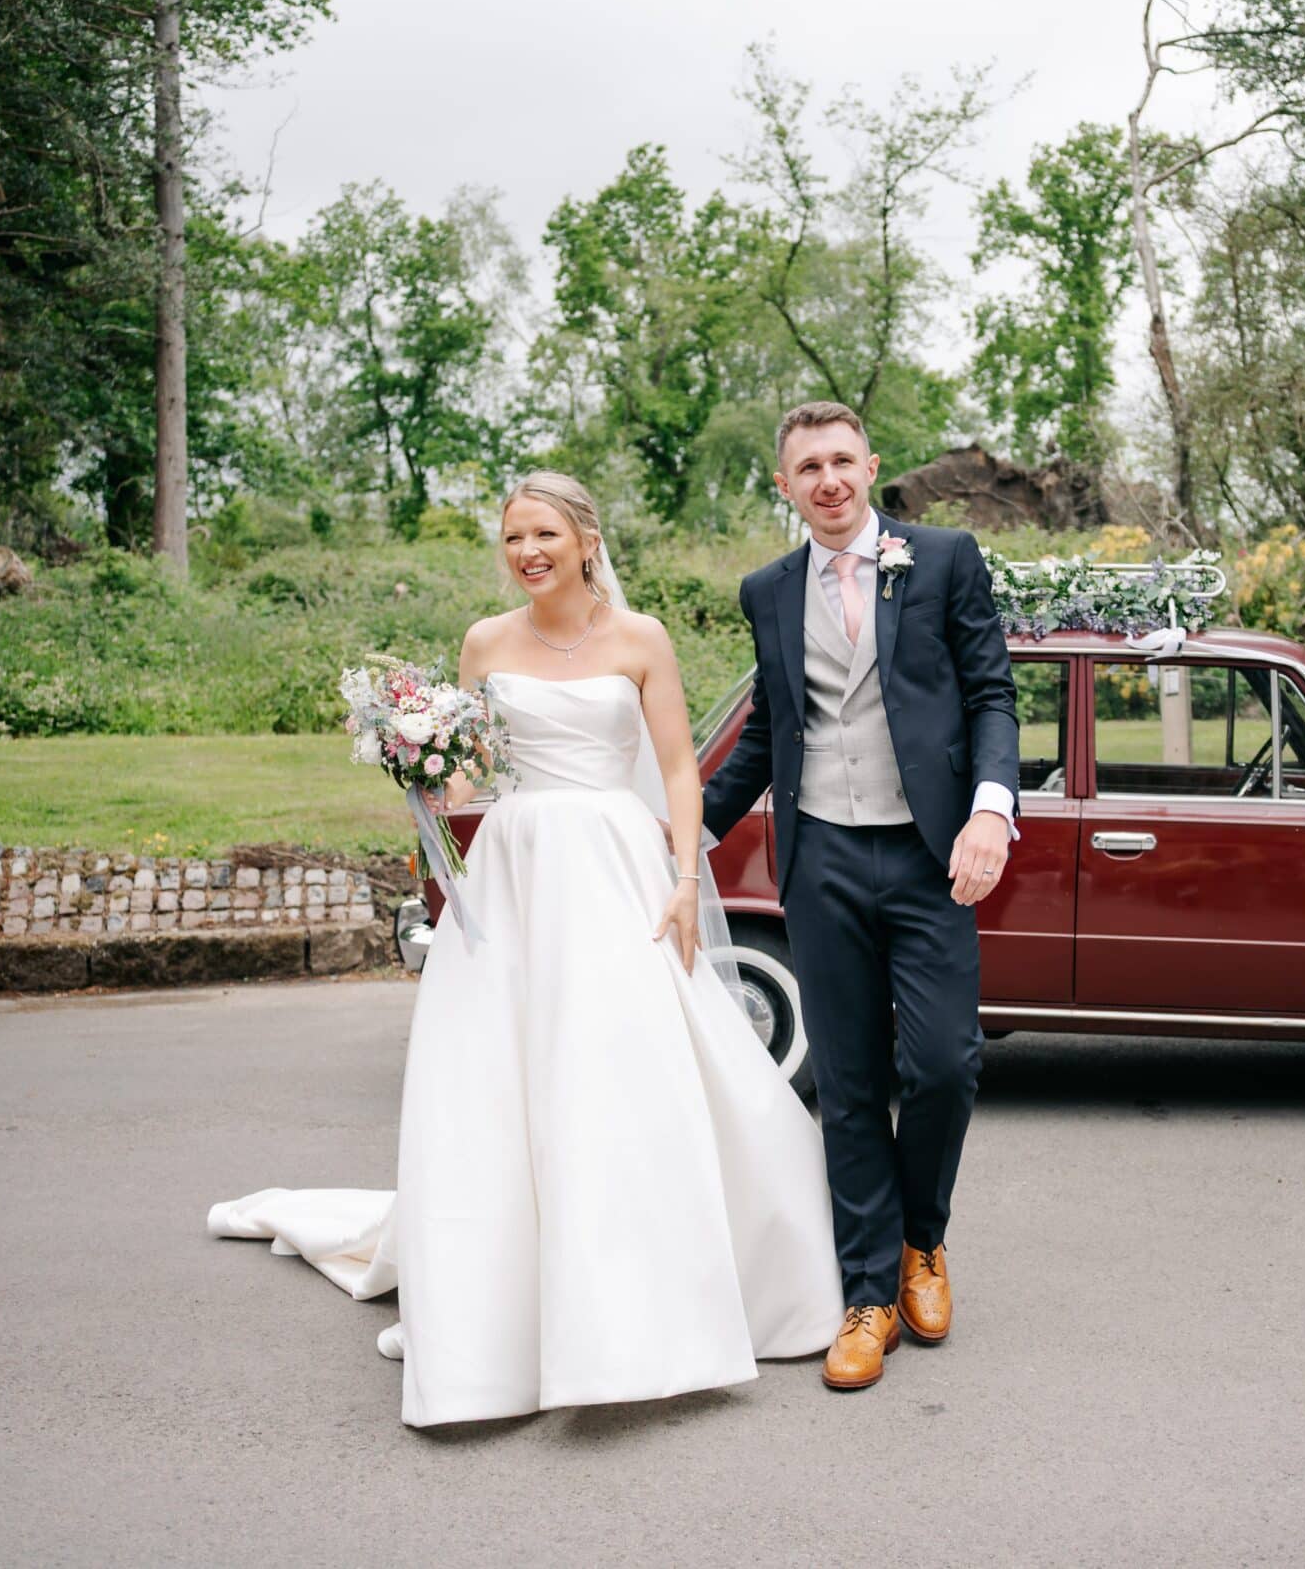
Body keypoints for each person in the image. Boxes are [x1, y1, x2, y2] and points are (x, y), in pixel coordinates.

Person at [209, 471, 843, 1427]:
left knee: (620, 1067)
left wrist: (684, 878)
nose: (527, 552)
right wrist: (421, 763)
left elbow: (679, 768)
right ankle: (500, 1300)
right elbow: (474, 776)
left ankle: (651, 1289)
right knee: (501, 1073)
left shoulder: (641, 639)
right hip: (513, 869)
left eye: (544, 533)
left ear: (586, 540)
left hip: (616, 866)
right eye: (513, 538)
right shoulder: (486, 641)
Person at [702, 401, 1020, 1391]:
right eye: (809, 467)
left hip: (929, 855)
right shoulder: (768, 590)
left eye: (842, 460)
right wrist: (685, 832)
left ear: (870, 466)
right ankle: (870, 1292)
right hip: (823, 857)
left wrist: (990, 810)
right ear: (786, 484)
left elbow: (991, 694)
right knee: (846, 1085)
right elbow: (770, 729)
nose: (829, 480)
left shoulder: (944, 558)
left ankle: (925, 1237)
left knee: (942, 1064)